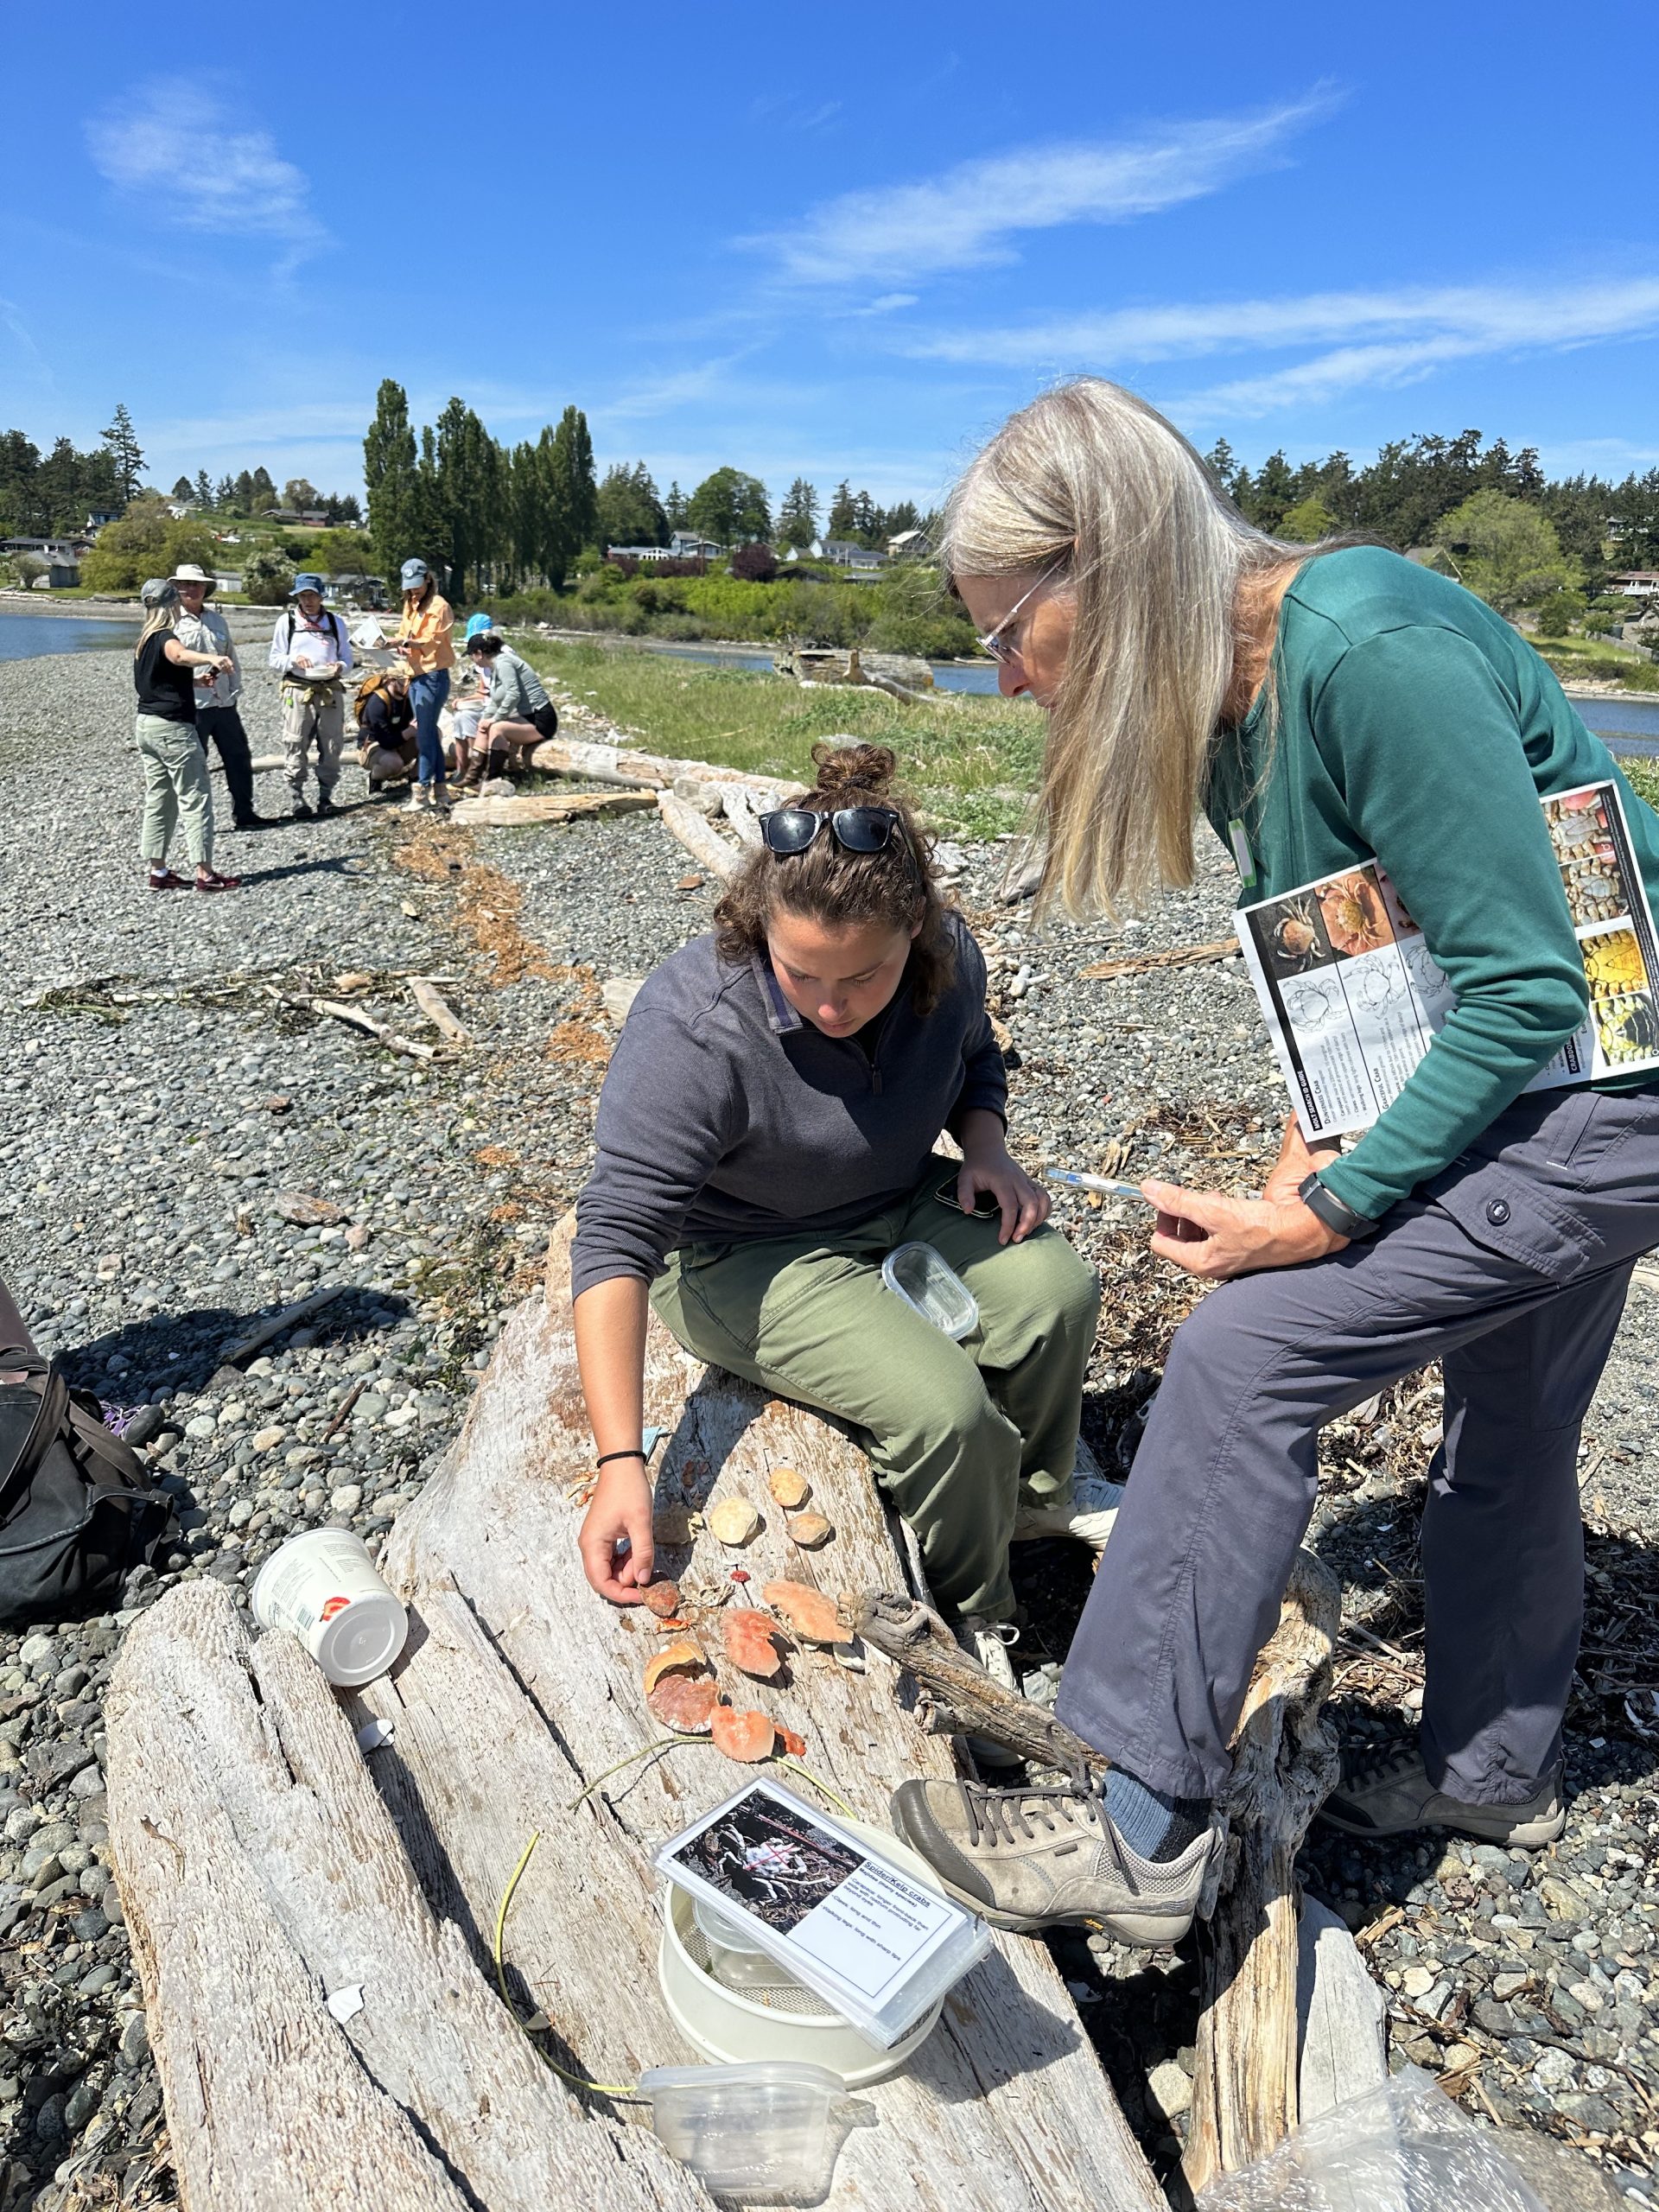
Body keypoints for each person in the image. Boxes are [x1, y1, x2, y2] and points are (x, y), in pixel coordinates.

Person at [884, 376, 1659, 1950]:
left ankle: (1137, 1825)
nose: (1012, 683)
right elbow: (1358, 970)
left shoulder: (1371, 657)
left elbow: (1523, 985)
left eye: (1001, 637)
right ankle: (1494, 1774)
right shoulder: (1231, 708)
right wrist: (1303, 1158)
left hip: (1607, 1083)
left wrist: (1329, 1214)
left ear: (1099, 572)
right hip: (1547, 1071)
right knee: (1504, 1430)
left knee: (1247, 1356)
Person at [573, 742, 1110, 1735]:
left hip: (897, 1195)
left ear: (915, 928)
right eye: (803, 974)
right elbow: (615, 1238)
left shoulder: (948, 955)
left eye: (863, 977)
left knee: (1056, 1292)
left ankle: (1035, 1496)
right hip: (744, 1251)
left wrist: (986, 1143)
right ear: (758, 928)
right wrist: (619, 1465)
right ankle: (972, 1613)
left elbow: (975, 1054)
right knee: (944, 1407)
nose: (830, 1004)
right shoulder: (696, 1026)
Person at [130, 578, 239, 893]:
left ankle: (158, 870)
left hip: (147, 726)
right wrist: (212, 658)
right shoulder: (165, 636)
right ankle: (205, 874)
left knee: (160, 798)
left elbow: (160, 680)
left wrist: (195, 683)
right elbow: (178, 656)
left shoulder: (143, 640)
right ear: (171, 606)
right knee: (195, 796)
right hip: (173, 729)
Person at [170, 563, 264, 830]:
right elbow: (169, 665)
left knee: (239, 758)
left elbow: (231, 656)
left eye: (197, 584)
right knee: (194, 765)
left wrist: (235, 689)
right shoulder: (170, 622)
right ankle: (193, 822)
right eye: (187, 584)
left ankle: (245, 813)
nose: (193, 589)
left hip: (224, 703)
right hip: (192, 705)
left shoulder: (216, 620)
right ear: (176, 587)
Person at [267, 573, 353, 818]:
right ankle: (297, 795)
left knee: (332, 742)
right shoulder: (287, 622)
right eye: (303, 596)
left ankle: (326, 796)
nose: (308, 600)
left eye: (312, 595)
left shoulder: (336, 623)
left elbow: (348, 658)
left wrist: (340, 667)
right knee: (296, 740)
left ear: (320, 597)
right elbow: (275, 659)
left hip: (329, 689)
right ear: (297, 598)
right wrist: (294, 660)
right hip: (297, 688)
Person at [393, 557, 455, 812]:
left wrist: (411, 644)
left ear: (428, 580)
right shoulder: (410, 604)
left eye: (417, 585)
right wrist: (394, 644)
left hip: (433, 675)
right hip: (414, 674)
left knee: (426, 735)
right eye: (409, 586)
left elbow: (433, 641)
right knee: (428, 734)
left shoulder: (440, 607)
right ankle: (441, 791)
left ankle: (421, 792)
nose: (413, 591)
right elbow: (404, 634)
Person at [459, 630, 558, 785]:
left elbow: (513, 694)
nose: (473, 661)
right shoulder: (495, 666)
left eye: (471, 656)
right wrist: (485, 719)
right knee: (484, 727)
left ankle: (493, 779)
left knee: (497, 728)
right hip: (528, 717)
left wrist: (495, 719)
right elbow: (496, 700)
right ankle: (472, 777)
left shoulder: (503, 663)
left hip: (541, 719)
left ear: (479, 654)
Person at [450, 613, 497, 785]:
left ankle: (475, 770)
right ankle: (461, 769)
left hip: (500, 708)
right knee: (460, 716)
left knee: (468, 718)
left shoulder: (500, 659)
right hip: (488, 703)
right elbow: (482, 692)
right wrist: (464, 700)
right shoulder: (482, 665)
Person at [355, 667, 416, 791]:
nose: (408, 686)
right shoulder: (377, 702)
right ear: (391, 681)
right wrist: (409, 733)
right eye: (404, 681)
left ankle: (415, 778)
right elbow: (385, 741)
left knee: (434, 734)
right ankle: (375, 778)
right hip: (374, 745)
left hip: (398, 741)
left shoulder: (407, 700)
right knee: (394, 763)